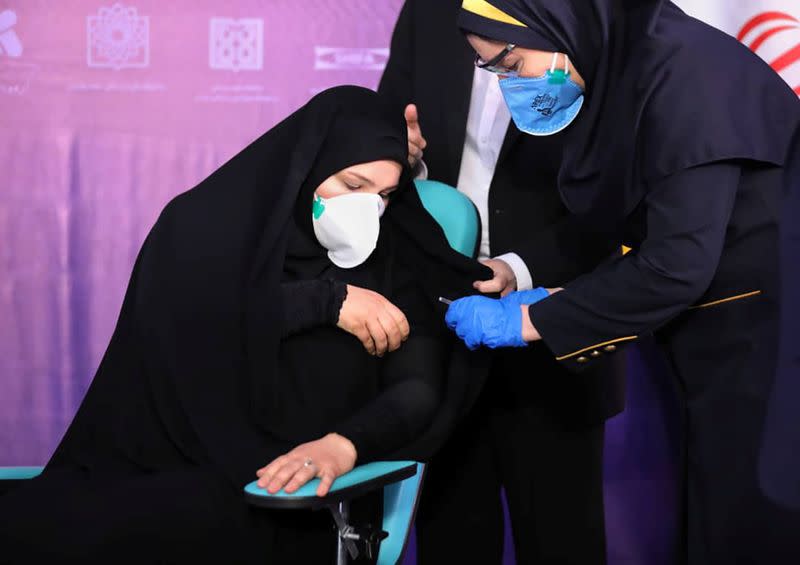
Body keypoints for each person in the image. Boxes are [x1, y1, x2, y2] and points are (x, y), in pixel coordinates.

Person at [0, 86, 491, 565]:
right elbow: (180, 324)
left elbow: (417, 390)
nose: (369, 209)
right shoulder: (203, 225)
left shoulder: (398, 260)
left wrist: (342, 446)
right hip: (162, 463)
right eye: (352, 186)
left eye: (385, 194)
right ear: (307, 166)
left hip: (284, 493)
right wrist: (325, 301)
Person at [444, 1, 800, 563]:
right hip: (718, 339)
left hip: (769, 346)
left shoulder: (685, 77)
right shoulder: (624, 70)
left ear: (557, 22)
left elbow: (676, 263)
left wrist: (533, 318)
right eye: (492, 72)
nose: (506, 87)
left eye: (510, 63)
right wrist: (545, 287)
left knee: (749, 522)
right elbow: (640, 232)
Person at [378, 2, 623, 563]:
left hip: (555, 322)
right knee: (451, 535)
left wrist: (521, 268)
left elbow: (613, 196)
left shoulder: (591, 19)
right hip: (444, 321)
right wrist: (402, 156)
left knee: (564, 536)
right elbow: (391, 125)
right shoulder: (429, 12)